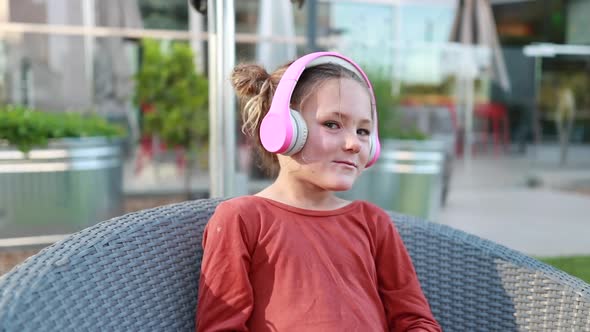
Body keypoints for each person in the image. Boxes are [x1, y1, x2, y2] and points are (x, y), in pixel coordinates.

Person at [195, 52, 441, 332]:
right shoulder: (241, 219)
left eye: (363, 131)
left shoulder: (373, 222)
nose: (354, 144)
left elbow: (415, 320)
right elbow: (220, 327)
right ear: (285, 129)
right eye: (332, 124)